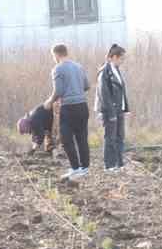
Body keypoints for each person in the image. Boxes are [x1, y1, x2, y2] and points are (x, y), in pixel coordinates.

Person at [45, 43, 90, 179]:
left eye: (53, 56)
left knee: (66, 139)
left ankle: (75, 168)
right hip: (82, 106)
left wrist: (50, 101)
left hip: (69, 108)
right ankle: (85, 168)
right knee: (82, 138)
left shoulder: (57, 69)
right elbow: (87, 86)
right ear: (66, 52)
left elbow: (58, 91)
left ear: (56, 55)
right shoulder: (79, 66)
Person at [97, 43, 130, 172]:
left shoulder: (117, 70)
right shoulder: (104, 72)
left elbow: (121, 90)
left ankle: (119, 164)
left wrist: (125, 108)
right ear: (114, 57)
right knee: (110, 138)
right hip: (110, 111)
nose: (122, 61)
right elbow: (103, 94)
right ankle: (109, 165)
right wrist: (111, 113)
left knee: (120, 137)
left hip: (119, 110)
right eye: (121, 58)